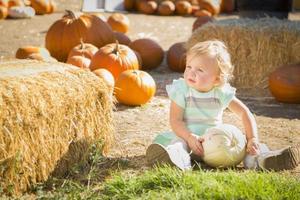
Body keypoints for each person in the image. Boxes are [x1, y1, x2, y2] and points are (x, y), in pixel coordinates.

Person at [146, 40, 300, 171]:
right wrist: (189, 136)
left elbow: (244, 113)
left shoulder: (220, 93)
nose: (191, 73)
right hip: (189, 140)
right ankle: (177, 161)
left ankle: (263, 159)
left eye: (200, 70)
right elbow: (175, 120)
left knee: (246, 147)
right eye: (189, 67)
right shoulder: (182, 90)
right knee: (178, 144)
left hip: (217, 144)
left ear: (217, 79)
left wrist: (252, 138)